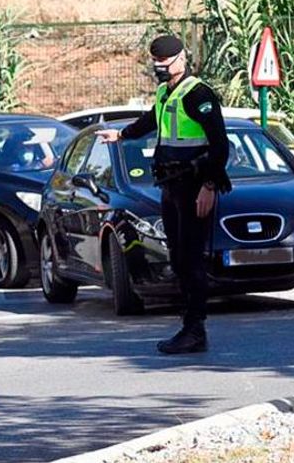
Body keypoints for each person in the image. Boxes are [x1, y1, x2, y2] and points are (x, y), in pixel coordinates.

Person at [97, 35, 231, 354]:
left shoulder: (198, 94)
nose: (159, 68)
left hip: (194, 186)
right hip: (170, 186)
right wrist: (122, 135)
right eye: (155, 63)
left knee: (191, 259)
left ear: (181, 59)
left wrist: (209, 186)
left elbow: (221, 146)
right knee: (179, 258)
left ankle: (195, 330)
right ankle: (189, 326)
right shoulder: (165, 92)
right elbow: (151, 121)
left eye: (164, 63)